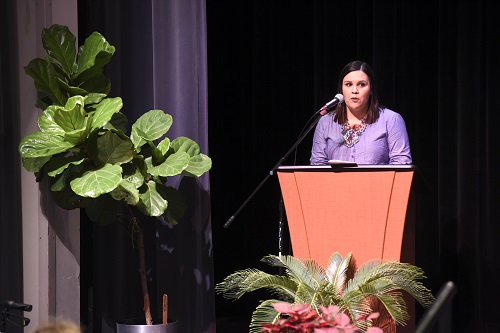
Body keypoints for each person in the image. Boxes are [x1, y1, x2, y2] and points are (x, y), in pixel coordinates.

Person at [310, 61, 412, 165]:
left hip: (377, 181)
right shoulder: (326, 122)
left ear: (371, 89)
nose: (354, 90)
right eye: (348, 84)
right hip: (333, 181)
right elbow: (317, 163)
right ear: (341, 89)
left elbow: (401, 164)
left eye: (361, 85)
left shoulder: (391, 120)